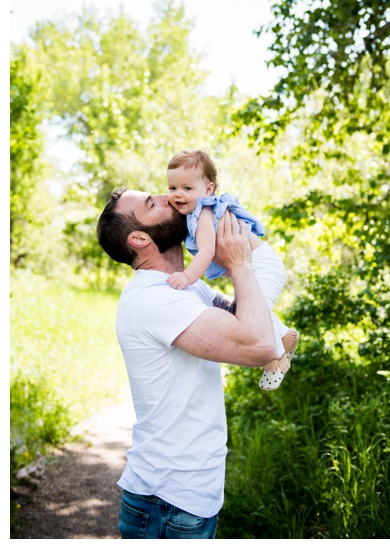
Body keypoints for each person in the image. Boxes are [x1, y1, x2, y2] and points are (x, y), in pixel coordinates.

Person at [96, 186, 285, 538]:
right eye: (153, 203)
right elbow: (259, 344)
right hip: (168, 500)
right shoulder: (154, 299)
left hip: (184, 496)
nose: (170, 198)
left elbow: (254, 317)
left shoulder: (185, 289)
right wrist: (239, 264)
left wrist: (233, 237)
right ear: (139, 239)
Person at [165, 148, 298, 391]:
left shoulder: (204, 213)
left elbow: (205, 252)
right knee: (248, 309)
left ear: (208, 190)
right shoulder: (194, 213)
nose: (178, 195)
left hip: (261, 265)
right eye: (172, 188)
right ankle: (285, 337)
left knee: (252, 315)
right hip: (257, 264)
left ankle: (276, 357)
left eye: (186, 188)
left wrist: (186, 276)